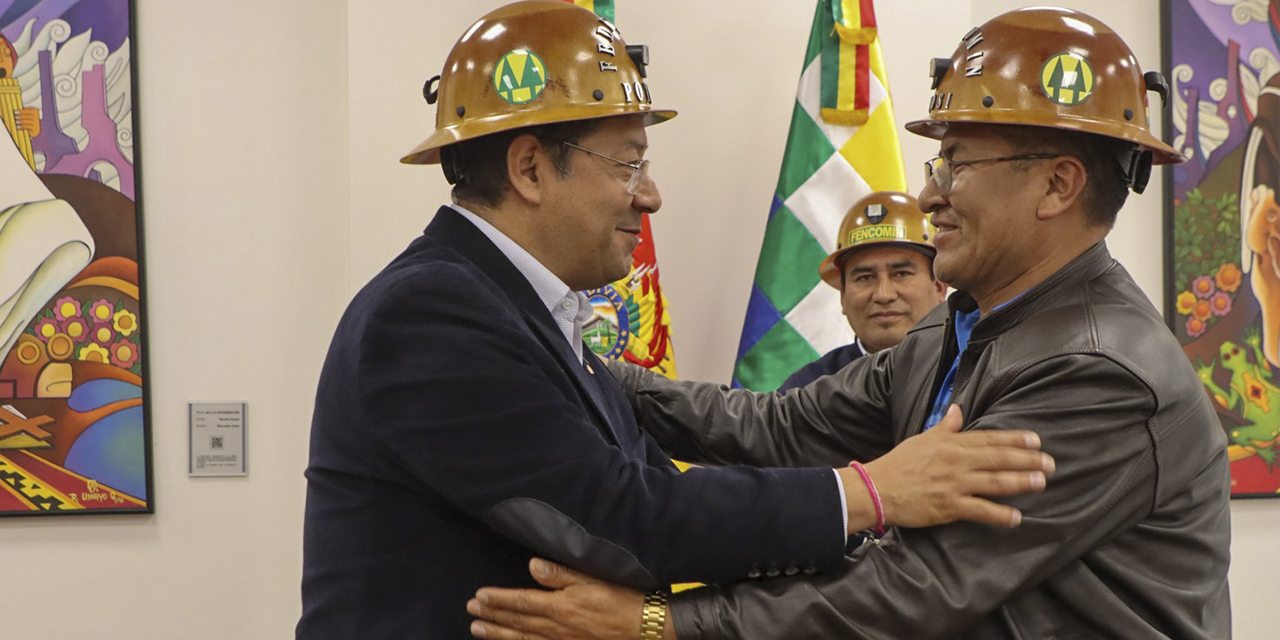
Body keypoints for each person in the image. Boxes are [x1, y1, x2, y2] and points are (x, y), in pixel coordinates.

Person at [467, 7, 1232, 640]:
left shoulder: (1098, 372)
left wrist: (660, 623)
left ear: (1058, 185)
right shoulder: (959, 327)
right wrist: (575, 363)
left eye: (955, 163)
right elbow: (779, 427)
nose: (929, 196)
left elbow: (918, 591)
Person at [295, 2, 1053, 638]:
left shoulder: (514, 306)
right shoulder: (431, 314)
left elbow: (660, 484)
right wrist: (872, 493)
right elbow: (627, 515)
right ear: (529, 169)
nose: (649, 196)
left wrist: (662, 619)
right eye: (629, 163)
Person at [779, 192, 946, 391]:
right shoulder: (807, 390)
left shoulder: (970, 374)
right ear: (842, 296)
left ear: (939, 288)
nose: (883, 295)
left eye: (901, 273)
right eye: (865, 277)